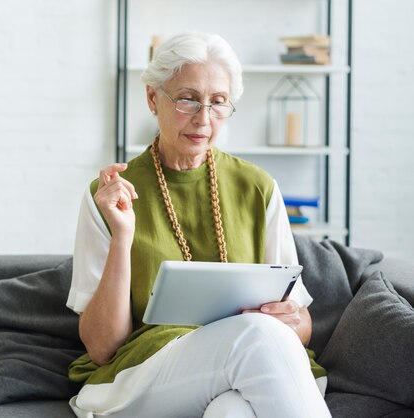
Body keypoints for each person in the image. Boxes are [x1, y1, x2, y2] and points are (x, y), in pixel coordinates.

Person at [66, 32, 330, 418]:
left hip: (250, 366)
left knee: (231, 412)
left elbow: (299, 324)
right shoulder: (111, 195)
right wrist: (123, 236)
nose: (203, 119)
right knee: (257, 335)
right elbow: (103, 346)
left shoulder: (257, 187)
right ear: (153, 98)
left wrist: (293, 319)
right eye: (188, 98)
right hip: (147, 373)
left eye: (218, 103)